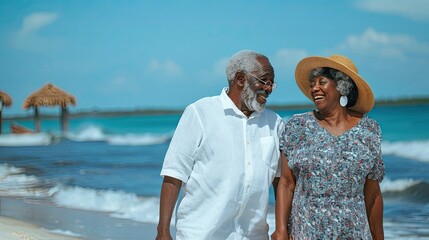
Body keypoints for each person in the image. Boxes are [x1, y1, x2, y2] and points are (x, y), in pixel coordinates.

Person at [156, 50, 285, 240]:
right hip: (202, 234)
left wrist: (283, 228)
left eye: (272, 83)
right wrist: (163, 232)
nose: (269, 88)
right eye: (264, 81)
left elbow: (281, 180)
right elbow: (174, 173)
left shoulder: (275, 123)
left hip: (254, 236)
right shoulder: (200, 113)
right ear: (241, 79)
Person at [271, 55, 385, 239]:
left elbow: (372, 194)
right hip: (305, 232)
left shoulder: (369, 131)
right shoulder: (298, 126)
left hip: (354, 233)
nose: (314, 88)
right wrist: (281, 230)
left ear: (342, 86)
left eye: (321, 82)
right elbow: (286, 183)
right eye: (312, 83)